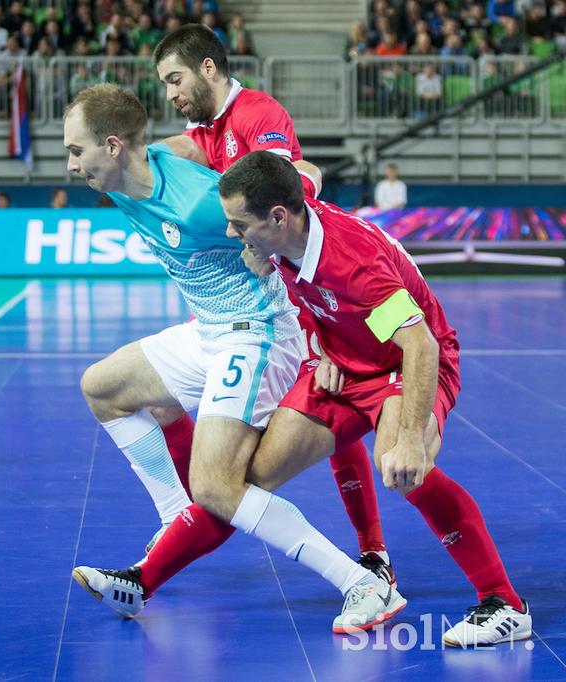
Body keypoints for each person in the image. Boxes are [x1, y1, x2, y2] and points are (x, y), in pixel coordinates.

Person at [64, 85, 404, 632]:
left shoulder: (201, 205)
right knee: (103, 387)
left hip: (257, 332)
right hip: (208, 330)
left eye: (76, 151)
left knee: (220, 487)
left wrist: (321, 339)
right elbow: (181, 144)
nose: (70, 164)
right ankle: (176, 516)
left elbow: (297, 223)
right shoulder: (137, 169)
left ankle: (362, 583)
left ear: (112, 146)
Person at [118, 24, 394, 589]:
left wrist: (272, 229)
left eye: (175, 79)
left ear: (209, 70)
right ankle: (187, 515)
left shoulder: (255, 113)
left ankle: (370, 557)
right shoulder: (204, 130)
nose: (170, 93)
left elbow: (287, 186)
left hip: (307, 288)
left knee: (332, 416)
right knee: (167, 404)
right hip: (266, 296)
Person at [218, 150, 530, 646]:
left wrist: (409, 436)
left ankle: (504, 604)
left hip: (406, 361)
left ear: (279, 217)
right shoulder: (293, 214)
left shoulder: (355, 265)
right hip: (349, 355)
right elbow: (306, 176)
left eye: (239, 224)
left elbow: (421, 344)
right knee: (258, 476)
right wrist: (322, 347)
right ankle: (374, 563)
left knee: (401, 468)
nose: (233, 235)